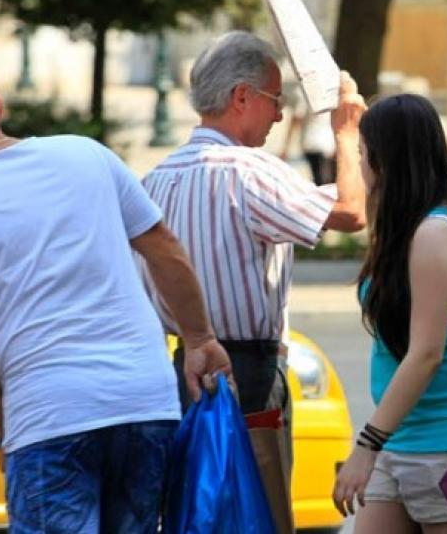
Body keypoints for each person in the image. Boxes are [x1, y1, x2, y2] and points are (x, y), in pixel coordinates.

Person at [0, 51, 230, 532]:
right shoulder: (85, 154)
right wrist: (199, 339)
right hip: (143, 400)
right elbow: (165, 249)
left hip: (49, 414)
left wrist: (1, 431)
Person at [140, 30, 366, 528]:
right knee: (259, 514)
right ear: (242, 97)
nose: (280, 115)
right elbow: (352, 212)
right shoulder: (251, 172)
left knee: (193, 515)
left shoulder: (153, 180)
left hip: (181, 377)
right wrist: (347, 134)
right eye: (275, 100)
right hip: (248, 377)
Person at [332, 94, 447, 533]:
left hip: (445, 445)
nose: (361, 167)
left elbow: (426, 353)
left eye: (363, 154)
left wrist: (366, 445)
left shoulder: (435, 235)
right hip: (398, 437)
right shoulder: (402, 232)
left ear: (385, 162)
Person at [280, 93, 337, 185]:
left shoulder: (305, 95)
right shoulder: (331, 94)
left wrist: (286, 147)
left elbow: (295, 120)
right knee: (327, 181)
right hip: (327, 144)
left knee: (320, 180)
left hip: (313, 143)